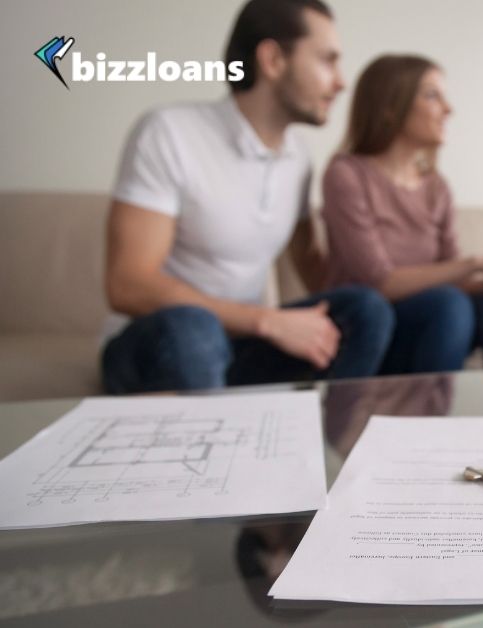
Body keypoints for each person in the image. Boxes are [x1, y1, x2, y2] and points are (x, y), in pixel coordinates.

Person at [101, 0, 394, 394]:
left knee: (366, 309)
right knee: (194, 326)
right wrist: (267, 321)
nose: (341, 82)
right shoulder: (168, 133)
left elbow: (310, 263)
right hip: (154, 343)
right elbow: (128, 285)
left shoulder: (299, 157)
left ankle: (332, 444)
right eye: (327, 60)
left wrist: (393, 281)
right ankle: (221, 450)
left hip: (239, 345)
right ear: (273, 60)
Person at [320, 54, 483, 374]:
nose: (448, 109)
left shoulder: (436, 188)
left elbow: (454, 278)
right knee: (448, 303)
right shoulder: (346, 175)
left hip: (439, 322)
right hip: (371, 330)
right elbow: (379, 283)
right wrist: (479, 262)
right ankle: (428, 423)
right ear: (390, 106)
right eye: (432, 95)